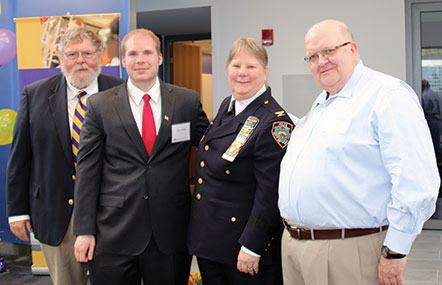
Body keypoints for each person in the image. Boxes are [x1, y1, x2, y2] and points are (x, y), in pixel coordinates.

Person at [278, 20, 440, 285]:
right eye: (313, 56)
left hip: (348, 250)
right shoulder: (322, 102)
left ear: (352, 49)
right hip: (297, 249)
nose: (321, 61)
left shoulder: (386, 95)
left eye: (329, 51)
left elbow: (415, 180)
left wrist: (395, 250)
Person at [73, 28, 209, 285]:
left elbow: (211, 148)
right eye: (132, 54)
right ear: (123, 61)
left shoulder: (186, 101)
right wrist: (84, 230)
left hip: (170, 233)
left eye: (147, 52)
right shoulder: (99, 106)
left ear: (159, 58)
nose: (140, 59)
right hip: (113, 233)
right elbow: (87, 171)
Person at [6, 27, 124, 285]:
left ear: (100, 56)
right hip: (57, 211)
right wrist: (17, 212)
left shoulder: (122, 93)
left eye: (87, 53)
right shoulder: (34, 94)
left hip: (113, 210)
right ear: (60, 59)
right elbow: (20, 158)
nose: (80, 60)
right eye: (72, 54)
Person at [188, 37, 294, 285]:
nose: (242, 74)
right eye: (236, 66)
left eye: (251, 67)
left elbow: (270, 194)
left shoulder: (274, 122)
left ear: (266, 72)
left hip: (242, 247)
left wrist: (253, 246)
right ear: (227, 69)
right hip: (211, 241)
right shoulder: (229, 105)